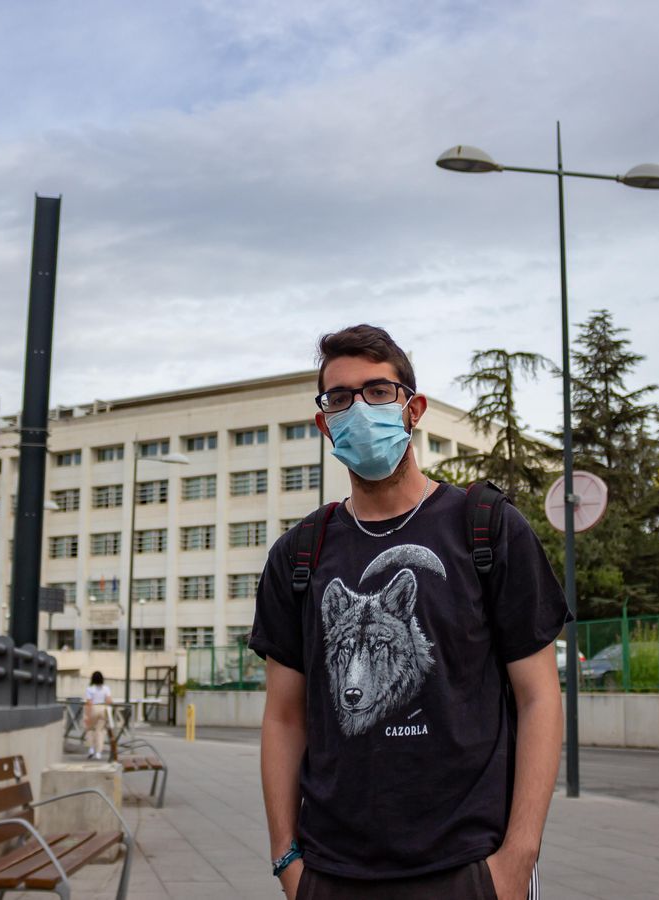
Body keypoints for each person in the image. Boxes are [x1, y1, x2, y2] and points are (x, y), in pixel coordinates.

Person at [250, 324, 570, 899]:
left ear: (412, 408)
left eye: (378, 392)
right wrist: (288, 861)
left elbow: (540, 696)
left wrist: (517, 861)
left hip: (469, 867)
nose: (359, 408)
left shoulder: (488, 530)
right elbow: (284, 717)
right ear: (325, 423)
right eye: (340, 398)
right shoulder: (298, 555)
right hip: (331, 873)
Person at [83, 670, 113, 761]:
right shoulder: (106, 688)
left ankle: (91, 749)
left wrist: (87, 716)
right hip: (103, 709)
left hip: (93, 708)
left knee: (90, 729)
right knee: (100, 731)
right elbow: (109, 701)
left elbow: (89, 702)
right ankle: (99, 752)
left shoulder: (90, 688)